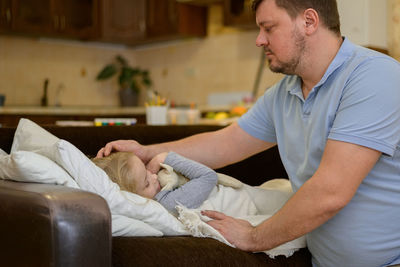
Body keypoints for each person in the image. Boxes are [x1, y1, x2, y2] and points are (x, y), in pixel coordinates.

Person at [96, 0, 400, 266]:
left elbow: (330, 192)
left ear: (309, 21)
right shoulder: (284, 93)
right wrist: (147, 151)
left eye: (268, 28)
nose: (258, 40)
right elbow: (224, 143)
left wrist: (254, 237)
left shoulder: (374, 76)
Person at [92, 151, 218, 214]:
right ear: (134, 198)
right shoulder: (167, 203)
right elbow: (209, 176)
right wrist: (164, 157)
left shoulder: (158, 189)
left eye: (145, 169)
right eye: (146, 184)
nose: (154, 176)